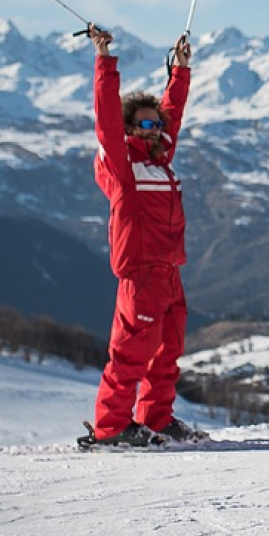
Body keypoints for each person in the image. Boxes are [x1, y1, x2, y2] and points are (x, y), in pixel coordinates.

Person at [78, 26, 205, 449]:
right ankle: (112, 425)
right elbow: (106, 119)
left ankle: (157, 417)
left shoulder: (158, 160)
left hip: (169, 270)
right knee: (131, 351)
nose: (153, 130)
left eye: (156, 124)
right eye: (144, 124)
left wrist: (180, 71)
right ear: (130, 127)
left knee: (166, 353)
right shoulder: (122, 167)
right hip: (141, 272)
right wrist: (105, 60)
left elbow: (174, 112)